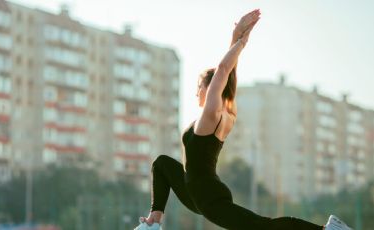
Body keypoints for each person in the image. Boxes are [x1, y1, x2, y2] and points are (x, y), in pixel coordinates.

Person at [134, 9, 352, 230]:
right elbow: (228, 75)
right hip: (197, 191)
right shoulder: (226, 112)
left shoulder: (211, 115)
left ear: (210, 89)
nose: (196, 93)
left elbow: (223, 70)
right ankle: (153, 222)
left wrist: (241, 42)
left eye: (199, 88)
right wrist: (235, 37)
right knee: (162, 163)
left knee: (261, 226)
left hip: (207, 196)